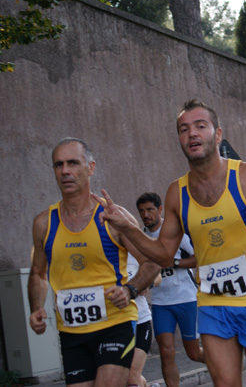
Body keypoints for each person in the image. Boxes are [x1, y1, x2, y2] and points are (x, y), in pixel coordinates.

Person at [93, 100, 246, 387]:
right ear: (180, 140)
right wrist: (128, 227)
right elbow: (162, 255)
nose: (192, 134)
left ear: (217, 134)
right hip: (213, 305)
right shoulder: (176, 193)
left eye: (200, 126)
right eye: (184, 129)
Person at [28, 137, 160, 386]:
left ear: (90, 168)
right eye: (59, 165)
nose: (65, 171)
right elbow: (37, 273)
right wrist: (36, 308)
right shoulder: (44, 223)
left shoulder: (113, 217)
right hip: (72, 333)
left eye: (73, 163)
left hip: (115, 324)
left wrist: (129, 290)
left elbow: (153, 261)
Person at [136, 192, 204, 387]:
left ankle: (226, 369)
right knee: (166, 352)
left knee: (193, 353)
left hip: (186, 298)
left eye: (149, 209)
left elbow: (198, 258)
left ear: (160, 209)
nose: (145, 214)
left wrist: (174, 262)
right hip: (160, 303)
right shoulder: (141, 238)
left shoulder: (175, 232)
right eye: (141, 211)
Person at [127, 253, 162, 387]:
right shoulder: (108, 254)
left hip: (140, 321)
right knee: (125, 376)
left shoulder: (134, 252)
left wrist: (148, 284)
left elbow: (158, 275)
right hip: (117, 324)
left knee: (132, 376)